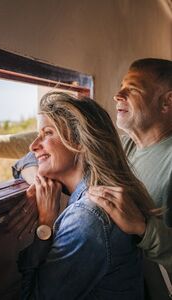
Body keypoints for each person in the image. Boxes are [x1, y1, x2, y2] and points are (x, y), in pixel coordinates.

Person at [0, 58, 172, 298]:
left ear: (168, 100)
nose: (117, 95)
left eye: (132, 89)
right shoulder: (123, 148)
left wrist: (144, 229)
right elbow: (42, 147)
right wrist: (1, 151)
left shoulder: (88, 218)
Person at [19, 91, 158, 299]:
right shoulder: (98, 194)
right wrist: (40, 180)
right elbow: (22, 162)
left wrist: (45, 225)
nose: (33, 145)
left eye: (48, 133)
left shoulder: (88, 218)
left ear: (80, 143)